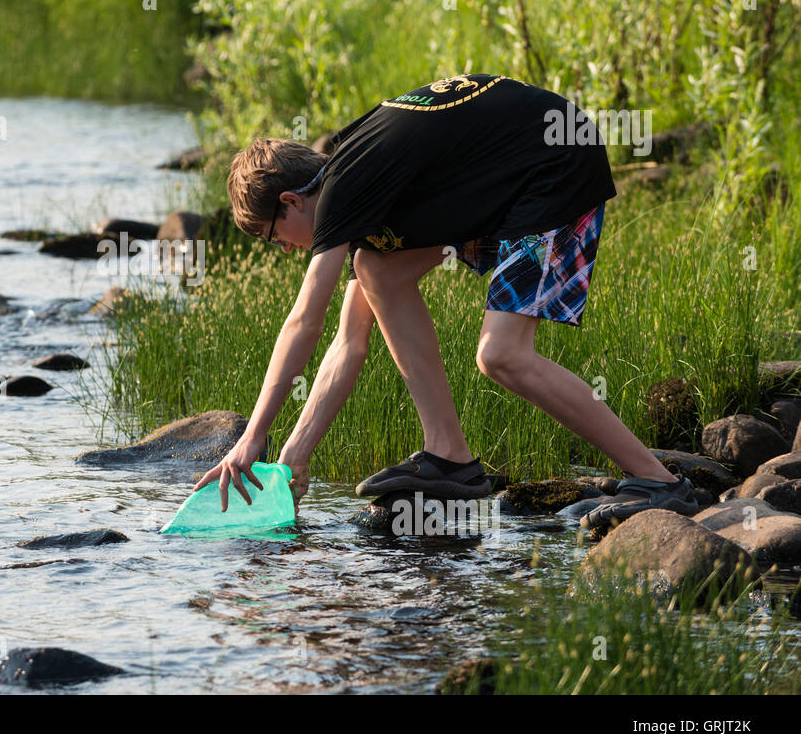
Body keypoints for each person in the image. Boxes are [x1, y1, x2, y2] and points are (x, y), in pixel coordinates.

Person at [191, 73, 698, 531]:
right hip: (512, 175)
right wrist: (292, 458)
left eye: (272, 236)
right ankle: (450, 456)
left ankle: (659, 482)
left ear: (291, 201)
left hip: (555, 165)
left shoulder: (346, 187)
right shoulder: (359, 184)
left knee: (502, 356)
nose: (282, 249)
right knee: (376, 271)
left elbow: (305, 321)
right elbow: (349, 343)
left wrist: (251, 436)